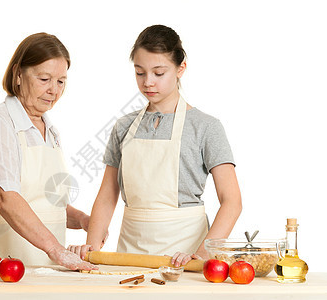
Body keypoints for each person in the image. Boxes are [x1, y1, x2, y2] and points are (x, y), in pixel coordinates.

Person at [68, 25, 242, 267]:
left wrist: (202, 254)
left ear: (181, 68)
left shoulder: (206, 127)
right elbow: (108, 194)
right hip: (130, 252)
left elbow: (232, 201)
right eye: (140, 73)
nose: (148, 82)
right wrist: (92, 247)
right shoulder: (124, 126)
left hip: (186, 253)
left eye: (159, 73)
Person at [0, 33, 96, 271]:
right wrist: (57, 250)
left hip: (39, 261)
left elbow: (45, 203)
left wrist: (82, 220)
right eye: (44, 79)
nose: (53, 90)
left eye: (61, 81)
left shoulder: (50, 130)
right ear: (18, 74)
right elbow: (4, 198)